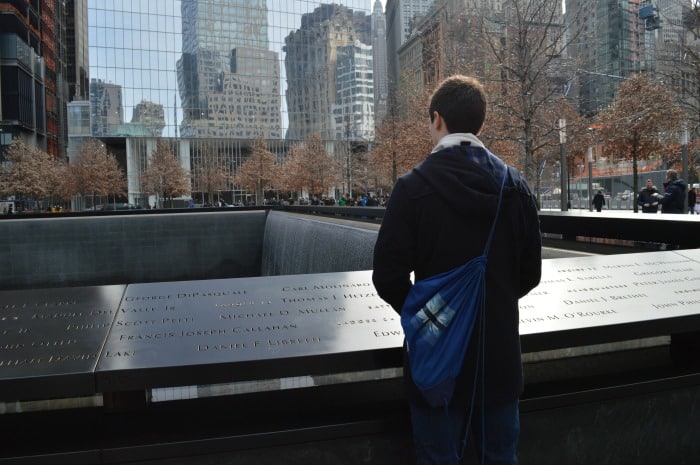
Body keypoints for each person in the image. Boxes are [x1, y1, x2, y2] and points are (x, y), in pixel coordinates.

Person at [372, 75, 542, 465]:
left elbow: (387, 277)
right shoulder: (515, 187)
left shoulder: (412, 188)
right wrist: (489, 304)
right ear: (480, 124)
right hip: (498, 362)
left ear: (437, 119)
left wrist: (435, 319)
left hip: (436, 365)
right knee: (500, 457)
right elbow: (530, 274)